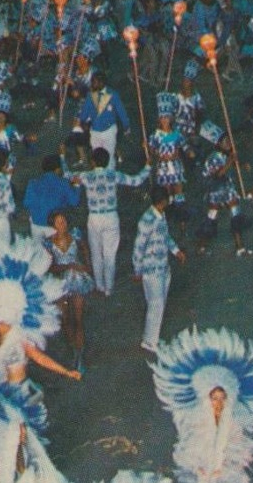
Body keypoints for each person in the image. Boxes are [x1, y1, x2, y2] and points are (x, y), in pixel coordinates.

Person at [64, 146, 150, 296]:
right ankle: (109, 288)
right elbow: (136, 181)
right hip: (111, 217)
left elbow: (66, 175)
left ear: (92, 162)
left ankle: (99, 286)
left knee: (96, 253)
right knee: (110, 254)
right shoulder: (114, 175)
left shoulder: (86, 176)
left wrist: (61, 156)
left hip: (94, 218)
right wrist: (148, 167)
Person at [132, 186, 186, 355]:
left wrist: (176, 250)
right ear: (162, 201)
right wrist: (137, 270)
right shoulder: (147, 220)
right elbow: (138, 247)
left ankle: (152, 337)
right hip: (151, 269)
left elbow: (165, 235)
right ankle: (149, 341)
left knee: (157, 303)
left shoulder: (160, 215)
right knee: (156, 304)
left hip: (163, 266)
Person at [44, 210, 95, 372]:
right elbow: (50, 267)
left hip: (77, 279)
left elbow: (85, 250)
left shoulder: (75, 235)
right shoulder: (48, 243)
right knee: (65, 317)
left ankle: (79, 354)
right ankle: (73, 347)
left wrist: (87, 266)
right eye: (58, 222)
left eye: (64, 221)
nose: (62, 225)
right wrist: (69, 266)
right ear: (53, 225)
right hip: (60, 282)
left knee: (78, 318)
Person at [78, 70, 130, 166]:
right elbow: (85, 110)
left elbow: (121, 111)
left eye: (94, 82)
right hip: (95, 131)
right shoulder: (90, 95)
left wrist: (126, 125)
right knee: (96, 158)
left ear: (101, 83)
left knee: (109, 156)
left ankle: (110, 177)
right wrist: (82, 121)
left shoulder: (113, 95)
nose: (91, 84)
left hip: (109, 131)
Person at [24, 154, 80, 243]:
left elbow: (26, 203)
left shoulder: (32, 183)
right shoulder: (63, 183)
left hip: (36, 225)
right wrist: (76, 185)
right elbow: (74, 202)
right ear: (58, 169)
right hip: (55, 227)